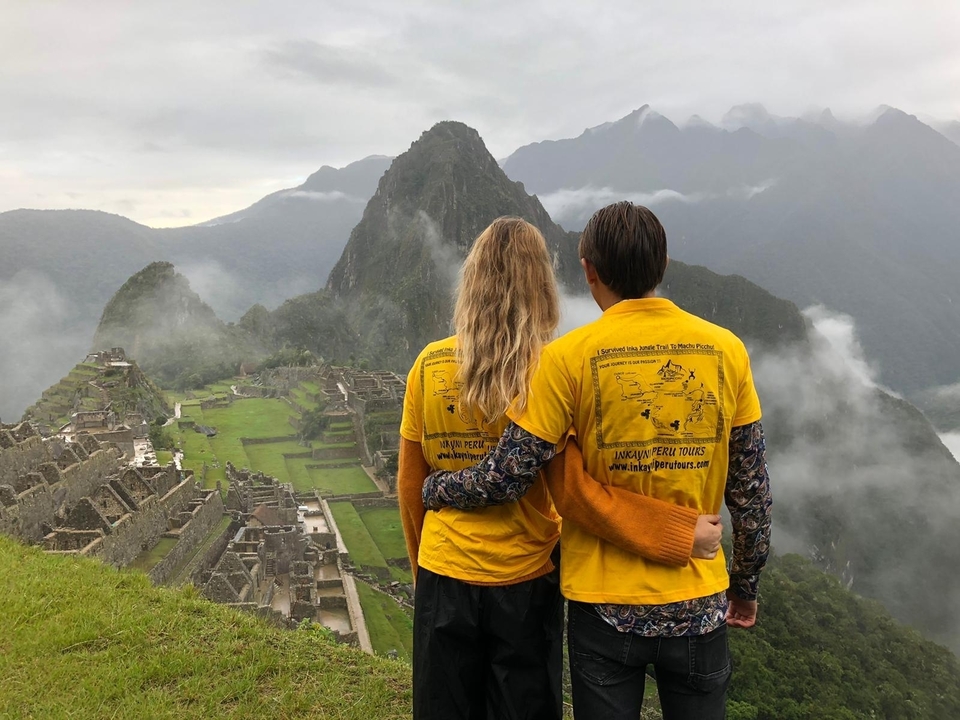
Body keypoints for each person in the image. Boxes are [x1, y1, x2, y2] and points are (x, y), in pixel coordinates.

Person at [422, 203, 773, 720]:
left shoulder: (567, 359)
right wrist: (745, 587)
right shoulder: (727, 350)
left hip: (603, 611)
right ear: (665, 263)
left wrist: (438, 489)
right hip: (698, 600)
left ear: (588, 270)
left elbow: (507, 474)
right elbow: (752, 491)